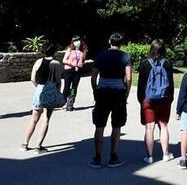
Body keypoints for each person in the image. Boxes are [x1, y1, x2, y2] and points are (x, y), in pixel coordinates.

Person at [89, 32, 132, 169]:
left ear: (109, 41)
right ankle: (113, 157)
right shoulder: (125, 56)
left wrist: (96, 91)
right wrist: (126, 93)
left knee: (99, 125)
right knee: (116, 125)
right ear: (121, 43)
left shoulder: (100, 56)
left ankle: (97, 157)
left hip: (102, 90)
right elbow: (129, 78)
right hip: (118, 91)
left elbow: (93, 77)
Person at [136, 39, 175, 164]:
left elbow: (141, 84)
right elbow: (171, 84)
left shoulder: (144, 64)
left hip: (148, 99)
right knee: (163, 126)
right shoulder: (168, 63)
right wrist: (170, 99)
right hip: (164, 99)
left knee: (149, 128)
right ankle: (165, 154)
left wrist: (141, 100)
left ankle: (150, 157)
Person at [22, 41, 64, 151]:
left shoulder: (38, 61)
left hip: (39, 89)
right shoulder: (56, 64)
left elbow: (32, 78)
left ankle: (25, 143)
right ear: (55, 51)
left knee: (33, 119)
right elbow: (58, 80)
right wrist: (57, 91)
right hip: (50, 90)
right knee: (46, 119)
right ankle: (38, 146)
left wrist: (38, 87)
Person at [62, 36, 87, 111]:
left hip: (77, 71)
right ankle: (64, 101)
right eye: (75, 41)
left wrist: (81, 64)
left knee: (74, 88)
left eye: (78, 40)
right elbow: (64, 60)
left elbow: (83, 60)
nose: (77, 42)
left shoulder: (83, 50)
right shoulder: (69, 49)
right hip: (69, 70)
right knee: (67, 87)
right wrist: (72, 64)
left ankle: (71, 103)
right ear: (72, 42)